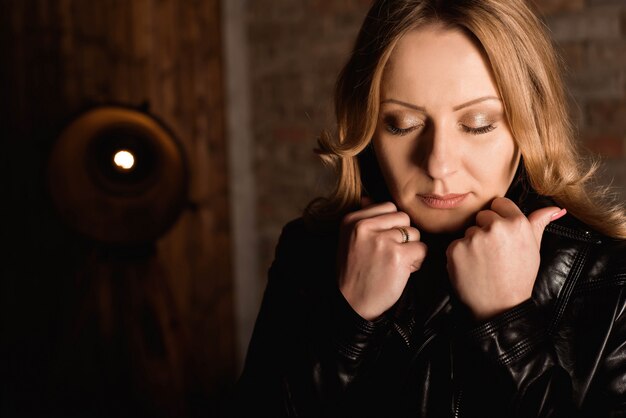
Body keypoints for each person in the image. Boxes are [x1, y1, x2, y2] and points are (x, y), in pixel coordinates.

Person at [233, 0, 626, 416]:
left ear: (529, 121)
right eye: (403, 124)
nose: (438, 164)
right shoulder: (308, 251)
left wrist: (508, 324)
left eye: (477, 124)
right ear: (366, 123)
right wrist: (347, 325)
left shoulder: (610, 279)